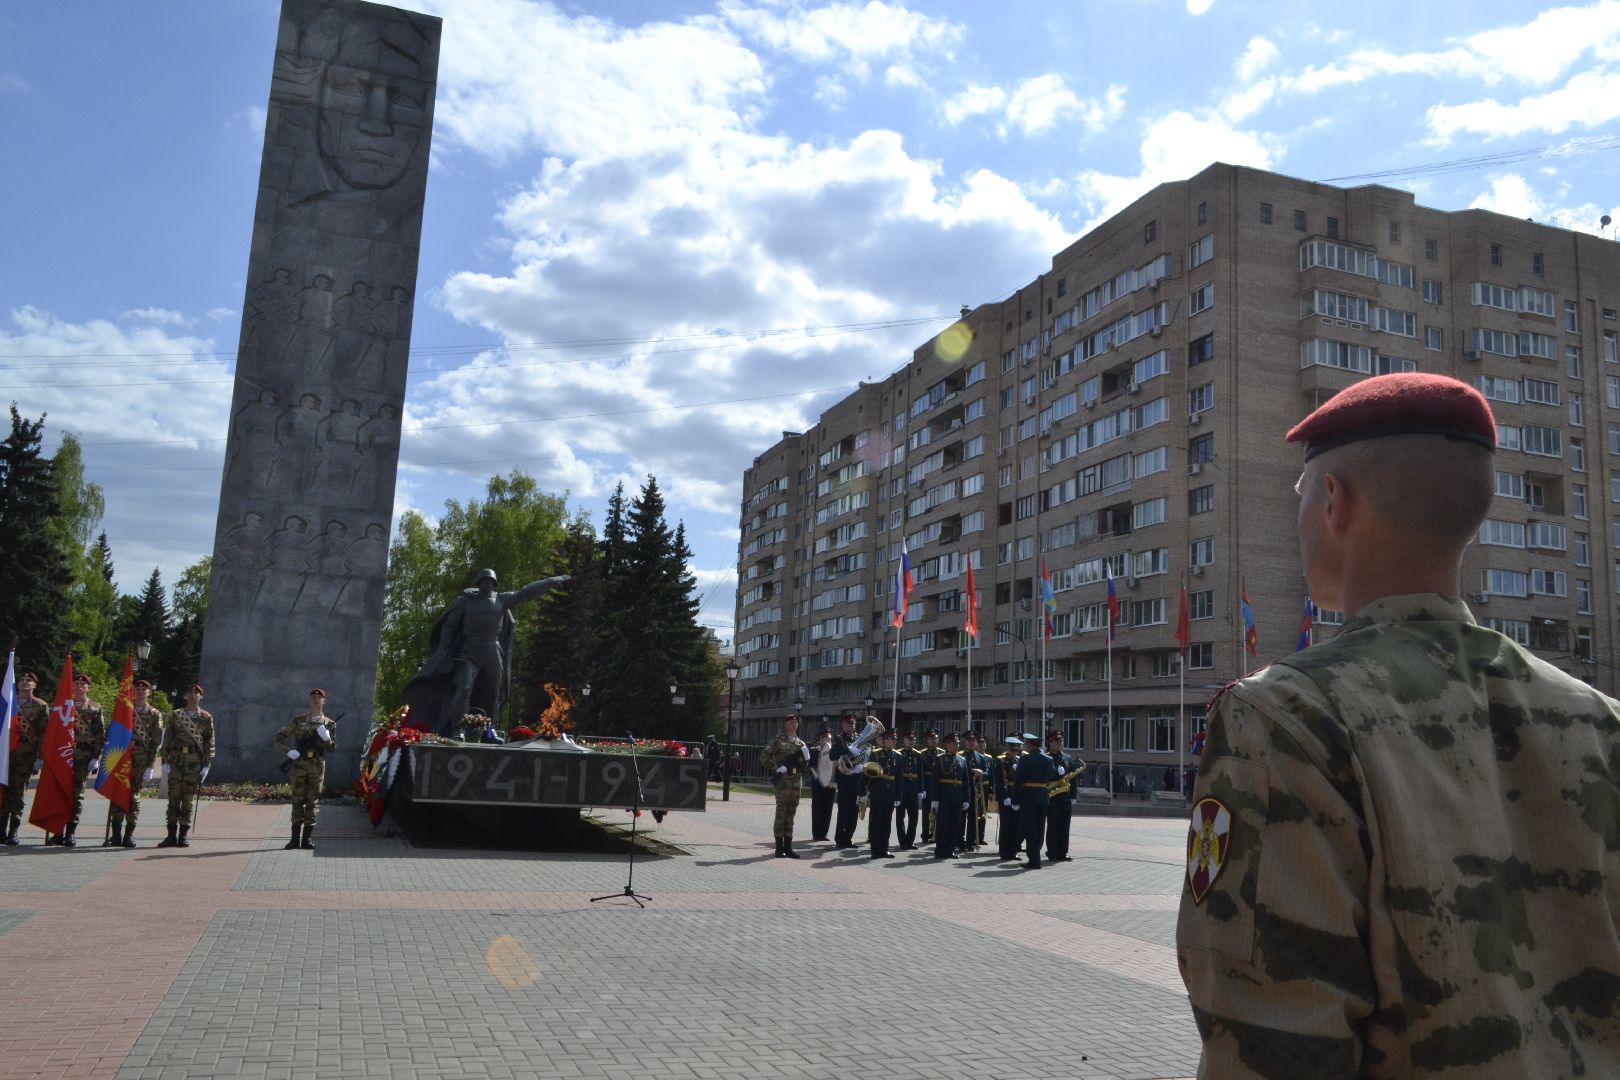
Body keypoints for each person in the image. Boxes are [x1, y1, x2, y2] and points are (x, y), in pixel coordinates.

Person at [1177, 372, 1620, 1077]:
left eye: (1299, 499)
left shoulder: (1288, 718)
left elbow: (1275, 1042)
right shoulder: (1599, 720)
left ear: (1334, 502)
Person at [399, 569, 569, 734]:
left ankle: (489, 729)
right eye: (484, 581)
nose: (487, 584)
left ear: (494, 584)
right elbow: (449, 627)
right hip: (469, 651)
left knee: (494, 692)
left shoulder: (501, 600)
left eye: (490, 582)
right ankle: (457, 729)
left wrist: (549, 582)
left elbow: (525, 593)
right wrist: (443, 649)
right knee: (464, 688)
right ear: (479, 583)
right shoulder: (464, 601)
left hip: (492, 651)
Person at [274, 689, 338, 850]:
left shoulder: (330, 723)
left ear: (325, 701)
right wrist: (288, 751)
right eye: (313, 697)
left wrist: (327, 738)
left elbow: (332, 748)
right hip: (299, 766)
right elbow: (279, 737)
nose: (316, 700)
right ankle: (294, 839)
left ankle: (307, 839)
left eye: (320, 698)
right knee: (297, 801)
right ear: (309, 701)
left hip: (317, 767)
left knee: (312, 801)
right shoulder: (298, 720)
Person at [106, 678, 164, 848]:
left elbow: (155, 742)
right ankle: (115, 835)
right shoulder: (124, 710)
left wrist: (150, 766)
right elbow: (113, 733)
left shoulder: (154, 714)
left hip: (141, 758)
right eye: (137, 689)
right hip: (121, 756)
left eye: (144, 689)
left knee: (133, 795)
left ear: (149, 692)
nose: (140, 691)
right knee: (117, 793)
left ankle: (128, 835)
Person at [157, 684, 213, 848]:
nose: (193, 695)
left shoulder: (205, 717)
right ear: (186, 695)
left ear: (201, 697)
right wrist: (164, 761)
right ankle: (170, 836)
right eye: (191, 692)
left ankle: (183, 836)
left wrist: (207, 765)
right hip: (176, 760)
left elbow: (210, 742)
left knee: (188, 799)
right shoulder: (176, 715)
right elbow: (167, 738)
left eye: (197, 693)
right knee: (173, 799)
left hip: (194, 763)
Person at [56, 674, 105, 848]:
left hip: (83, 757)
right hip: (63, 755)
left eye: (83, 684)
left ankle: (70, 833)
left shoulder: (94, 708)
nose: (79, 686)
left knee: (77, 795)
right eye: (76, 683)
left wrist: (95, 757)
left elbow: (100, 735)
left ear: (88, 688)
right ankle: (57, 831)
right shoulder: (63, 706)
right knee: (60, 792)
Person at [2, 671, 47, 845]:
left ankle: (13, 830)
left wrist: (39, 758)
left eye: (29, 680)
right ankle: (1, 828)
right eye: (22, 680)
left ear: (35, 685)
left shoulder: (40, 706)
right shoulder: (6, 701)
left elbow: (44, 735)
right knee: (4, 792)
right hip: (5, 755)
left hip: (26, 756)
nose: (24, 682)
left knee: (18, 794)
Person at [761, 714, 809, 858]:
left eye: (796, 722)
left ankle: (788, 847)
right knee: (781, 813)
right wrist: (776, 768)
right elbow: (764, 756)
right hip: (783, 782)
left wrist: (807, 759)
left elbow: (804, 766)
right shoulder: (778, 741)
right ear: (785, 724)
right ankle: (778, 848)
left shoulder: (801, 744)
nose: (794, 724)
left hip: (796, 782)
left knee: (791, 814)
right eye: (791, 722)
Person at [1010, 733, 1054, 869]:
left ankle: (1034, 860)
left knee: (1030, 829)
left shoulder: (1024, 760)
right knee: (1040, 829)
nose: (1025, 747)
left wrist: (1015, 800)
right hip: (1042, 796)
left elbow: (1018, 781)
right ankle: (1036, 856)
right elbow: (1051, 776)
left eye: (1026, 744)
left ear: (1030, 745)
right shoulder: (1049, 759)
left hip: (1028, 797)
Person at [930, 732, 969, 859]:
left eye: (958, 743)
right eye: (954, 743)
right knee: (943, 824)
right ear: (947, 744)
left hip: (957, 797)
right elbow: (934, 780)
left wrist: (966, 799)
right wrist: (934, 798)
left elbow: (966, 781)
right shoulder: (939, 758)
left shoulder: (962, 760)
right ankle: (940, 849)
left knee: (954, 824)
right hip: (944, 797)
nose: (957, 745)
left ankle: (950, 850)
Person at [1044, 731, 1080, 863]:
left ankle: (1062, 852)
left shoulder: (1067, 758)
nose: (1060, 743)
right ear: (1051, 743)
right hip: (1052, 797)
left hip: (1065, 796)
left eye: (1061, 741)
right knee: (1053, 826)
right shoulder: (1046, 758)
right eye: (1057, 741)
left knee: (1065, 826)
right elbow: (1044, 777)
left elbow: (1073, 779)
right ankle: (1052, 852)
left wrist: (1073, 795)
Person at [864, 729, 900, 859]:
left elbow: (899, 779)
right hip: (877, 792)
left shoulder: (897, 756)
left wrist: (898, 797)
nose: (895, 741)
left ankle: (884, 849)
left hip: (890, 794)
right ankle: (875, 849)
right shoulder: (875, 754)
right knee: (876, 822)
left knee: (886, 823)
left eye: (895, 739)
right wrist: (863, 792)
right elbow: (867, 773)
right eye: (892, 739)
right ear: (885, 740)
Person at [831, 714, 864, 848]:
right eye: (849, 723)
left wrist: (863, 766)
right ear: (843, 725)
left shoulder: (859, 738)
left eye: (854, 723)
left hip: (857, 779)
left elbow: (864, 753)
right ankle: (840, 839)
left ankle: (848, 838)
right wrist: (847, 749)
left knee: (854, 811)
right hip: (844, 780)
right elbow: (833, 755)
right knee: (844, 810)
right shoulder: (839, 739)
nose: (852, 726)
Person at [994, 735, 1023, 862]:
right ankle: (1004, 852)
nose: (1014, 753)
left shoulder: (1019, 761)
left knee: (1016, 825)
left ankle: (1013, 851)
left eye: (1016, 750)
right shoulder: (1000, 760)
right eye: (1012, 750)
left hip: (1016, 795)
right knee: (1006, 825)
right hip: (1006, 795)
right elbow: (998, 781)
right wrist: (1004, 796)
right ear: (1008, 748)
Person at [894, 729, 923, 849]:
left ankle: (910, 841)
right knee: (900, 817)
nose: (912, 741)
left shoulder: (918, 754)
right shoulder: (898, 754)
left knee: (914, 817)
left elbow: (920, 774)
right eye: (909, 739)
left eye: (914, 739)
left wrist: (921, 790)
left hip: (913, 790)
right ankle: (902, 842)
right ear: (904, 740)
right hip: (901, 790)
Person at [807, 728, 837, 841]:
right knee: (818, 808)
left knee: (828, 808)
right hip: (818, 783)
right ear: (821, 739)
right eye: (826, 738)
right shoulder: (815, 750)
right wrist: (817, 777)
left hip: (830, 783)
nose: (828, 741)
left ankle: (823, 833)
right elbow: (810, 765)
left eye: (829, 738)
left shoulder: (833, 750)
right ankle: (816, 833)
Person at [918, 728, 942, 844]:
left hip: (939, 786)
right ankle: (925, 834)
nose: (933, 740)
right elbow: (921, 773)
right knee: (927, 812)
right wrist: (922, 788)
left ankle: (937, 834)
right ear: (927, 740)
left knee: (939, 811)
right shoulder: (922, 754)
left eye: (935, 738)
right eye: (931, 738)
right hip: (927, 785)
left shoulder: (942, 753)